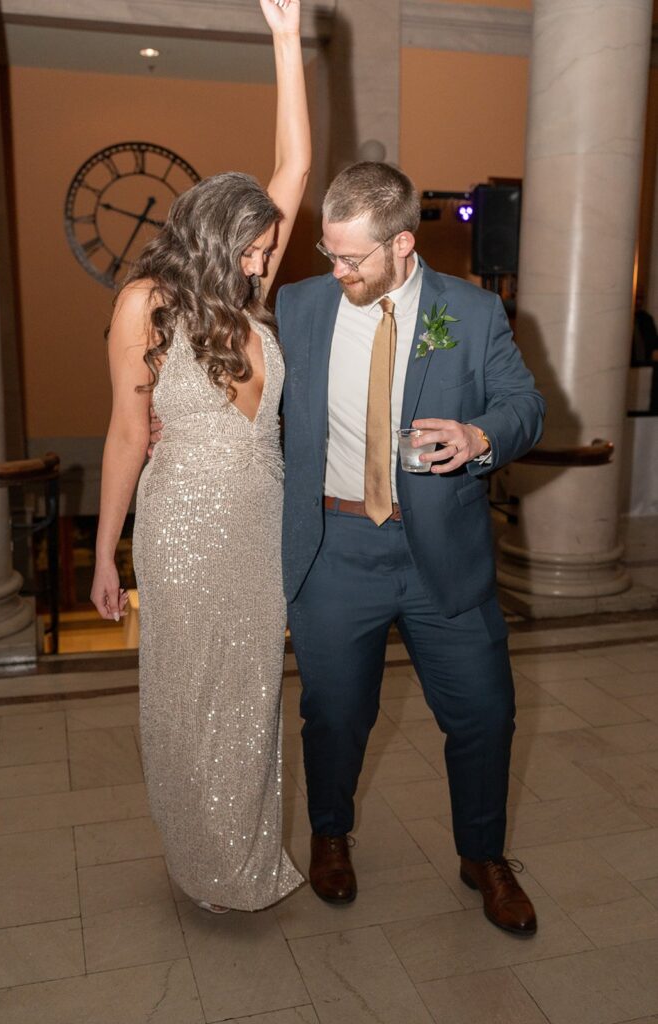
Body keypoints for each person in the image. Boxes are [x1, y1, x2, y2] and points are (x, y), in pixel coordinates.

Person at [275, 162, 545, 936]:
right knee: (333, 714)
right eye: (329, 253)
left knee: (485, 715)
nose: (335, 271)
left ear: (400, 245)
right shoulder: (299, 307)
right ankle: (330, 835)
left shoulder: (471, 310)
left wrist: (479, 435)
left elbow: (523, 404)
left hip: (442, 553)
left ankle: (483, 855)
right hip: (334, 547)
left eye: (351, 258)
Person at [90, 0, 310, 913]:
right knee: (193, 703)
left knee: (253, 701)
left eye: (269, 249)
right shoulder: (147, 301)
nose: (265, 265)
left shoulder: (249, 296)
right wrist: (104, 550)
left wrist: (287, 40)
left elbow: (294, 166)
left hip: (261, 530)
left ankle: (249, 855)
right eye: (255, 250)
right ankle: (204, 862)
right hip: (180, 534)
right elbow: (127, 434)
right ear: (218, 238)